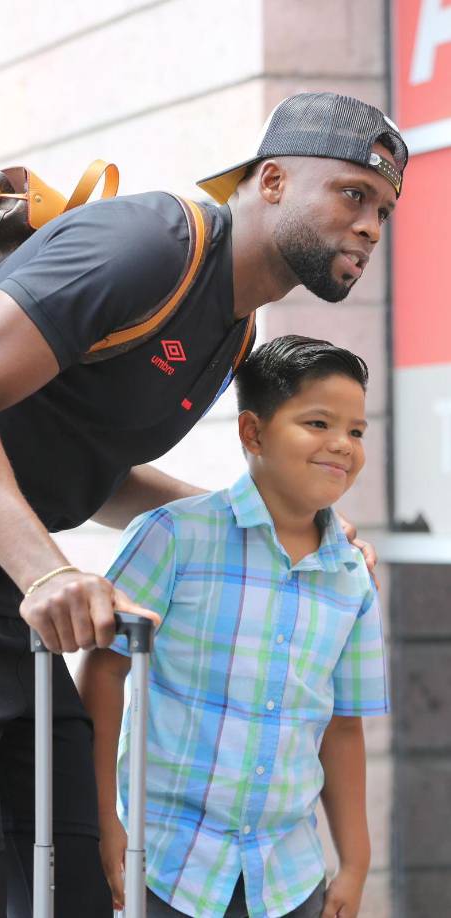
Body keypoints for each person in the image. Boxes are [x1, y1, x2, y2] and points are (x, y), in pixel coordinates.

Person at [0, 93, 405, 917]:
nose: (370, 226)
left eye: (385, 210)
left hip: (1, 597)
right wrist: (48, 572)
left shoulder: (233, 327)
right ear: (273, 180)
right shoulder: (152, 243)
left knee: (79, 884)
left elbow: (93, 466)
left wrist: (267, 522)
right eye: (353, 194)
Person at [79, 335, 389, 918]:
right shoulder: (172, 536)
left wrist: (354, 861)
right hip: (167, 865)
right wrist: (103, 822)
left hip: (289, 879)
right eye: (318, 422)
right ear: (252, 433)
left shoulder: (353, 578)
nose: (341, 445)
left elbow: (343, 726)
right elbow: (103, 674)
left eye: (356, 431)